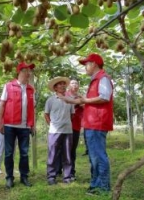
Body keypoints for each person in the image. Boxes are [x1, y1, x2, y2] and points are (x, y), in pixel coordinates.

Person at [61, 53, 114, 195]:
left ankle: (103, 187)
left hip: (98, 122)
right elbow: (89, 101)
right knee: (93, 156)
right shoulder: (95, 79)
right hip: (92, 123)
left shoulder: (102, 78)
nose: (85, 67)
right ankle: (95, 184)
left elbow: (104, 97)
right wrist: (74, 100)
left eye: (87, 64)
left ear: (94, 64)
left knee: (98, 155)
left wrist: (84, 100)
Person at [0, 62, 35, 189]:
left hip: (25, 127)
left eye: (29, 71)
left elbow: (31, 109)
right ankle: (9, 177)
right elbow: (2, 105)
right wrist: (0, 122)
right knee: (8, 153)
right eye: (25, 71)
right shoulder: (8, 86)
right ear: (19, 72)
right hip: (9, 125)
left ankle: (24, 176)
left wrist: (32, 125)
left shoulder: (31, 89)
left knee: (24, 153)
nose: (28, 73)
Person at [44, 76, 75, 185]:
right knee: (52, 154)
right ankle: (51, 177)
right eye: (60, 84)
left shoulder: (70, 99)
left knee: (67, 154)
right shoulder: (50, 100)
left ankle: (67, 177)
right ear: (55, 88)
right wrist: (52, 124)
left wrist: (65, 123)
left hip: (67, 131)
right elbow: (46, 114)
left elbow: (72, 114)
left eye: (63, 84)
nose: (63, 86)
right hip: (54, 131)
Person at [55, 78, 84, 181]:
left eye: (76, 83)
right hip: (63, 126)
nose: (74, 85)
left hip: (75, 126)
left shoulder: (81, 97)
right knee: (59, 148)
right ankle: (57, 170)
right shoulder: (65, 95)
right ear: (69, 86)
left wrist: (81, 102)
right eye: (72, 83)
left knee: (72, 150)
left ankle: (71, 172)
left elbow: (85, 107)